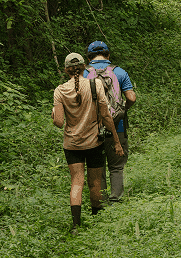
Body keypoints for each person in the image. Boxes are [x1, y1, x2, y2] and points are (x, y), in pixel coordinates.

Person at [52, 52, 124, 234]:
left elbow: (59, 122)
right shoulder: (95, 84)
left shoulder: (60, 91)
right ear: (84, 67)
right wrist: (116, 141)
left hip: (72, 144)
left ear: (66, 70)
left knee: (77, 182)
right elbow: (106, 116)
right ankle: (96, 220)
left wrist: (54, 114)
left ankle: (76, 225)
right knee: (94, 183)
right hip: (94, 142)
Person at [83, 41, 136, 203]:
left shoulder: (83, 74)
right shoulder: (119, 72)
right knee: (117, 167)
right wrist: (122, 111)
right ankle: (116, 201)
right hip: (117, 126)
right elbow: (131, 98)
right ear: (108, 55)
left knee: (97, 166)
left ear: (89, 56)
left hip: (92, 128)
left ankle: (101, 202)